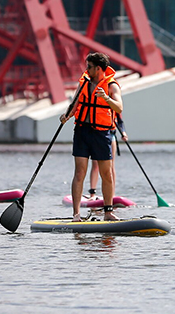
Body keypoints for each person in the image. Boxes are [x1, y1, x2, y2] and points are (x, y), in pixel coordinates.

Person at [60, 51, 123, 222]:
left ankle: (108, 212)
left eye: (89, 67)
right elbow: (74, 105)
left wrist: (105, 98)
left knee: (106, 173)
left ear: (99, 69)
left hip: (102, 133)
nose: (86, 69)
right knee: (79, 172)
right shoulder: (84, 83)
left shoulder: (112, 86)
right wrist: (66, 115)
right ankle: (76, 214)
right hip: (82, 132)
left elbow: (118, 107)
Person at [84, 117, 128, 201]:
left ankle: (111, 194)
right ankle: (92, 193)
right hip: (96, 135)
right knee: (95, 164)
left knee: (111, 166)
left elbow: (120, 121)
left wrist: (123, 133)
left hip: (110, 136)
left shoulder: (113, 104)